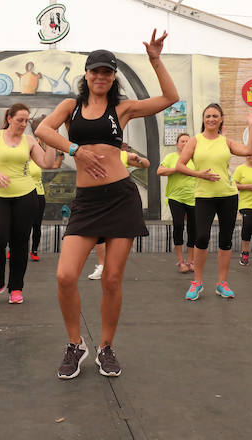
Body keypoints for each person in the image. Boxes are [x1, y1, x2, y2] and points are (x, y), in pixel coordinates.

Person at [37, 31, 178, 379]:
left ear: (113, 77)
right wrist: (76, 150)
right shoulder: (71, 107)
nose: (101, 77)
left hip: (120, 198)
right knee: (65, 275)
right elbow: (43, 129)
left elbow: (170, 97)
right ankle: (75, 344)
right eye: (95, 71)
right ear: (86, 75)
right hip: (87, 202)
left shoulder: (123, 109)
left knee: (112, 279)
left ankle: (106, 347)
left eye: (107, 72)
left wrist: (155, 59)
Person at [0, 103, 55, 305]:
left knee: (19, 243)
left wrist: (51, 140)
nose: (24, 124)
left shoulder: (29, 140)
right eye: (20, 120)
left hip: (26, 196)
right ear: (9, 118)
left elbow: (46, 163)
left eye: (27, 121)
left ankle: (16, 288)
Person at [176, 103, 252, 300]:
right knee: (201, 238)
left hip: (228, 196)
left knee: (225, 240)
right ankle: (197, 282)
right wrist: (199, 175)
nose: (211, 119)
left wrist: (251, 125)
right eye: (208, 116)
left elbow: (249, 151)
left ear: (221, 119)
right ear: (203, 119)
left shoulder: (226, 142)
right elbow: (180, 165)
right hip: (204, 196)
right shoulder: (195, 141)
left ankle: (222, 283)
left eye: (215, 116)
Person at [85, 145, 151, 280]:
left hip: (120, 200)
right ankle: (102, 265)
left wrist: (138, 158)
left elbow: (146, 164)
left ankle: (112, 267)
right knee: (98, 234)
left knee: (118, 235)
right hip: (99, 199)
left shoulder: (121, 155)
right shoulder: (92, 153)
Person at [157, 132, 197, 273]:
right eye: (182, 141)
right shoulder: (171, 157)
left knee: (193, 229)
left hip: (194, 198)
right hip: (176, 197)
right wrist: (177, 168)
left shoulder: (195, 158)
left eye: (188, 141)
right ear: (177, 144)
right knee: (178, 225)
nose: (185, 143)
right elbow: (159, 171)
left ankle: (191, 261)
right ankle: (180, 261)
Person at [28, 138, 64, 262]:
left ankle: (34, 251)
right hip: (23, 195)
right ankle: (14, 248)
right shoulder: (21, 159)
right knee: (20, 225)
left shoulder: (39, 160)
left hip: (38, 195)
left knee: (36, 225)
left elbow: (55, 165)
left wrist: (61, 153)